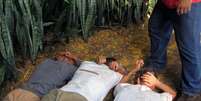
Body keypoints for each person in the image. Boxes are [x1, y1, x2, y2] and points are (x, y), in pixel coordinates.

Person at [147, 0, 201, 100]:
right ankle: (157, 64)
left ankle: (191, 89)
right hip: (166, 2)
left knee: (188, 45)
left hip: (189, 3)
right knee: (156, 28)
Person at [41, 56, 139, 101]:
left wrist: (134, 70)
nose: (116, 66)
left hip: (81, 97)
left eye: (119, 66)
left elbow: (125, 77)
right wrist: (103, 59)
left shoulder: (115, 75)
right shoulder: (87, 63)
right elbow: (77, 60)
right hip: (57, 93)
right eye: (115, 63)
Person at [3, 51, 81, 101]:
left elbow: (87, 67)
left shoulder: (47, 62)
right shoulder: (69, 68)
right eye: (64, 55)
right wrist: (74, 58)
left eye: (69, 57)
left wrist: (72, 58)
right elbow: (86, 66)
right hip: (31, 96)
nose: (66, 56)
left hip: (18, 92)